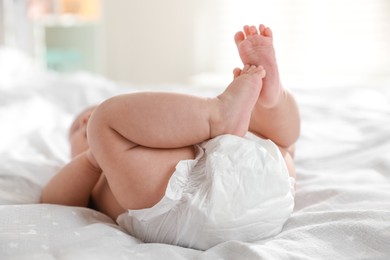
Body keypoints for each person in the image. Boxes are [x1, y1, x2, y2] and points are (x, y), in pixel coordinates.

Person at [41, 24, 300, 249]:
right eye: (77, 128)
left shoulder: (152, 149)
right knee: (105, 120)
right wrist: (91, 159)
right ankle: (234, 110)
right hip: (255, 198)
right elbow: (52, 200)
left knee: (275, 142)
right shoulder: (96, 177)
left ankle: (269, 99)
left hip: (248, 183)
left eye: (85, 118)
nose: (86, 120)